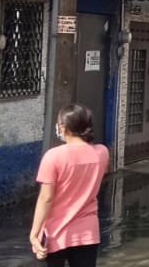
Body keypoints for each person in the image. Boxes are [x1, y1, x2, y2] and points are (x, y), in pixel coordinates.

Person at [29, 104, 110, 267]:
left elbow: (46, 198)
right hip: (88, 233)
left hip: (56, 233)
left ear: (63, 127)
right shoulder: (102, 153)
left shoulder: (53, 156)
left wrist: (34, 234)